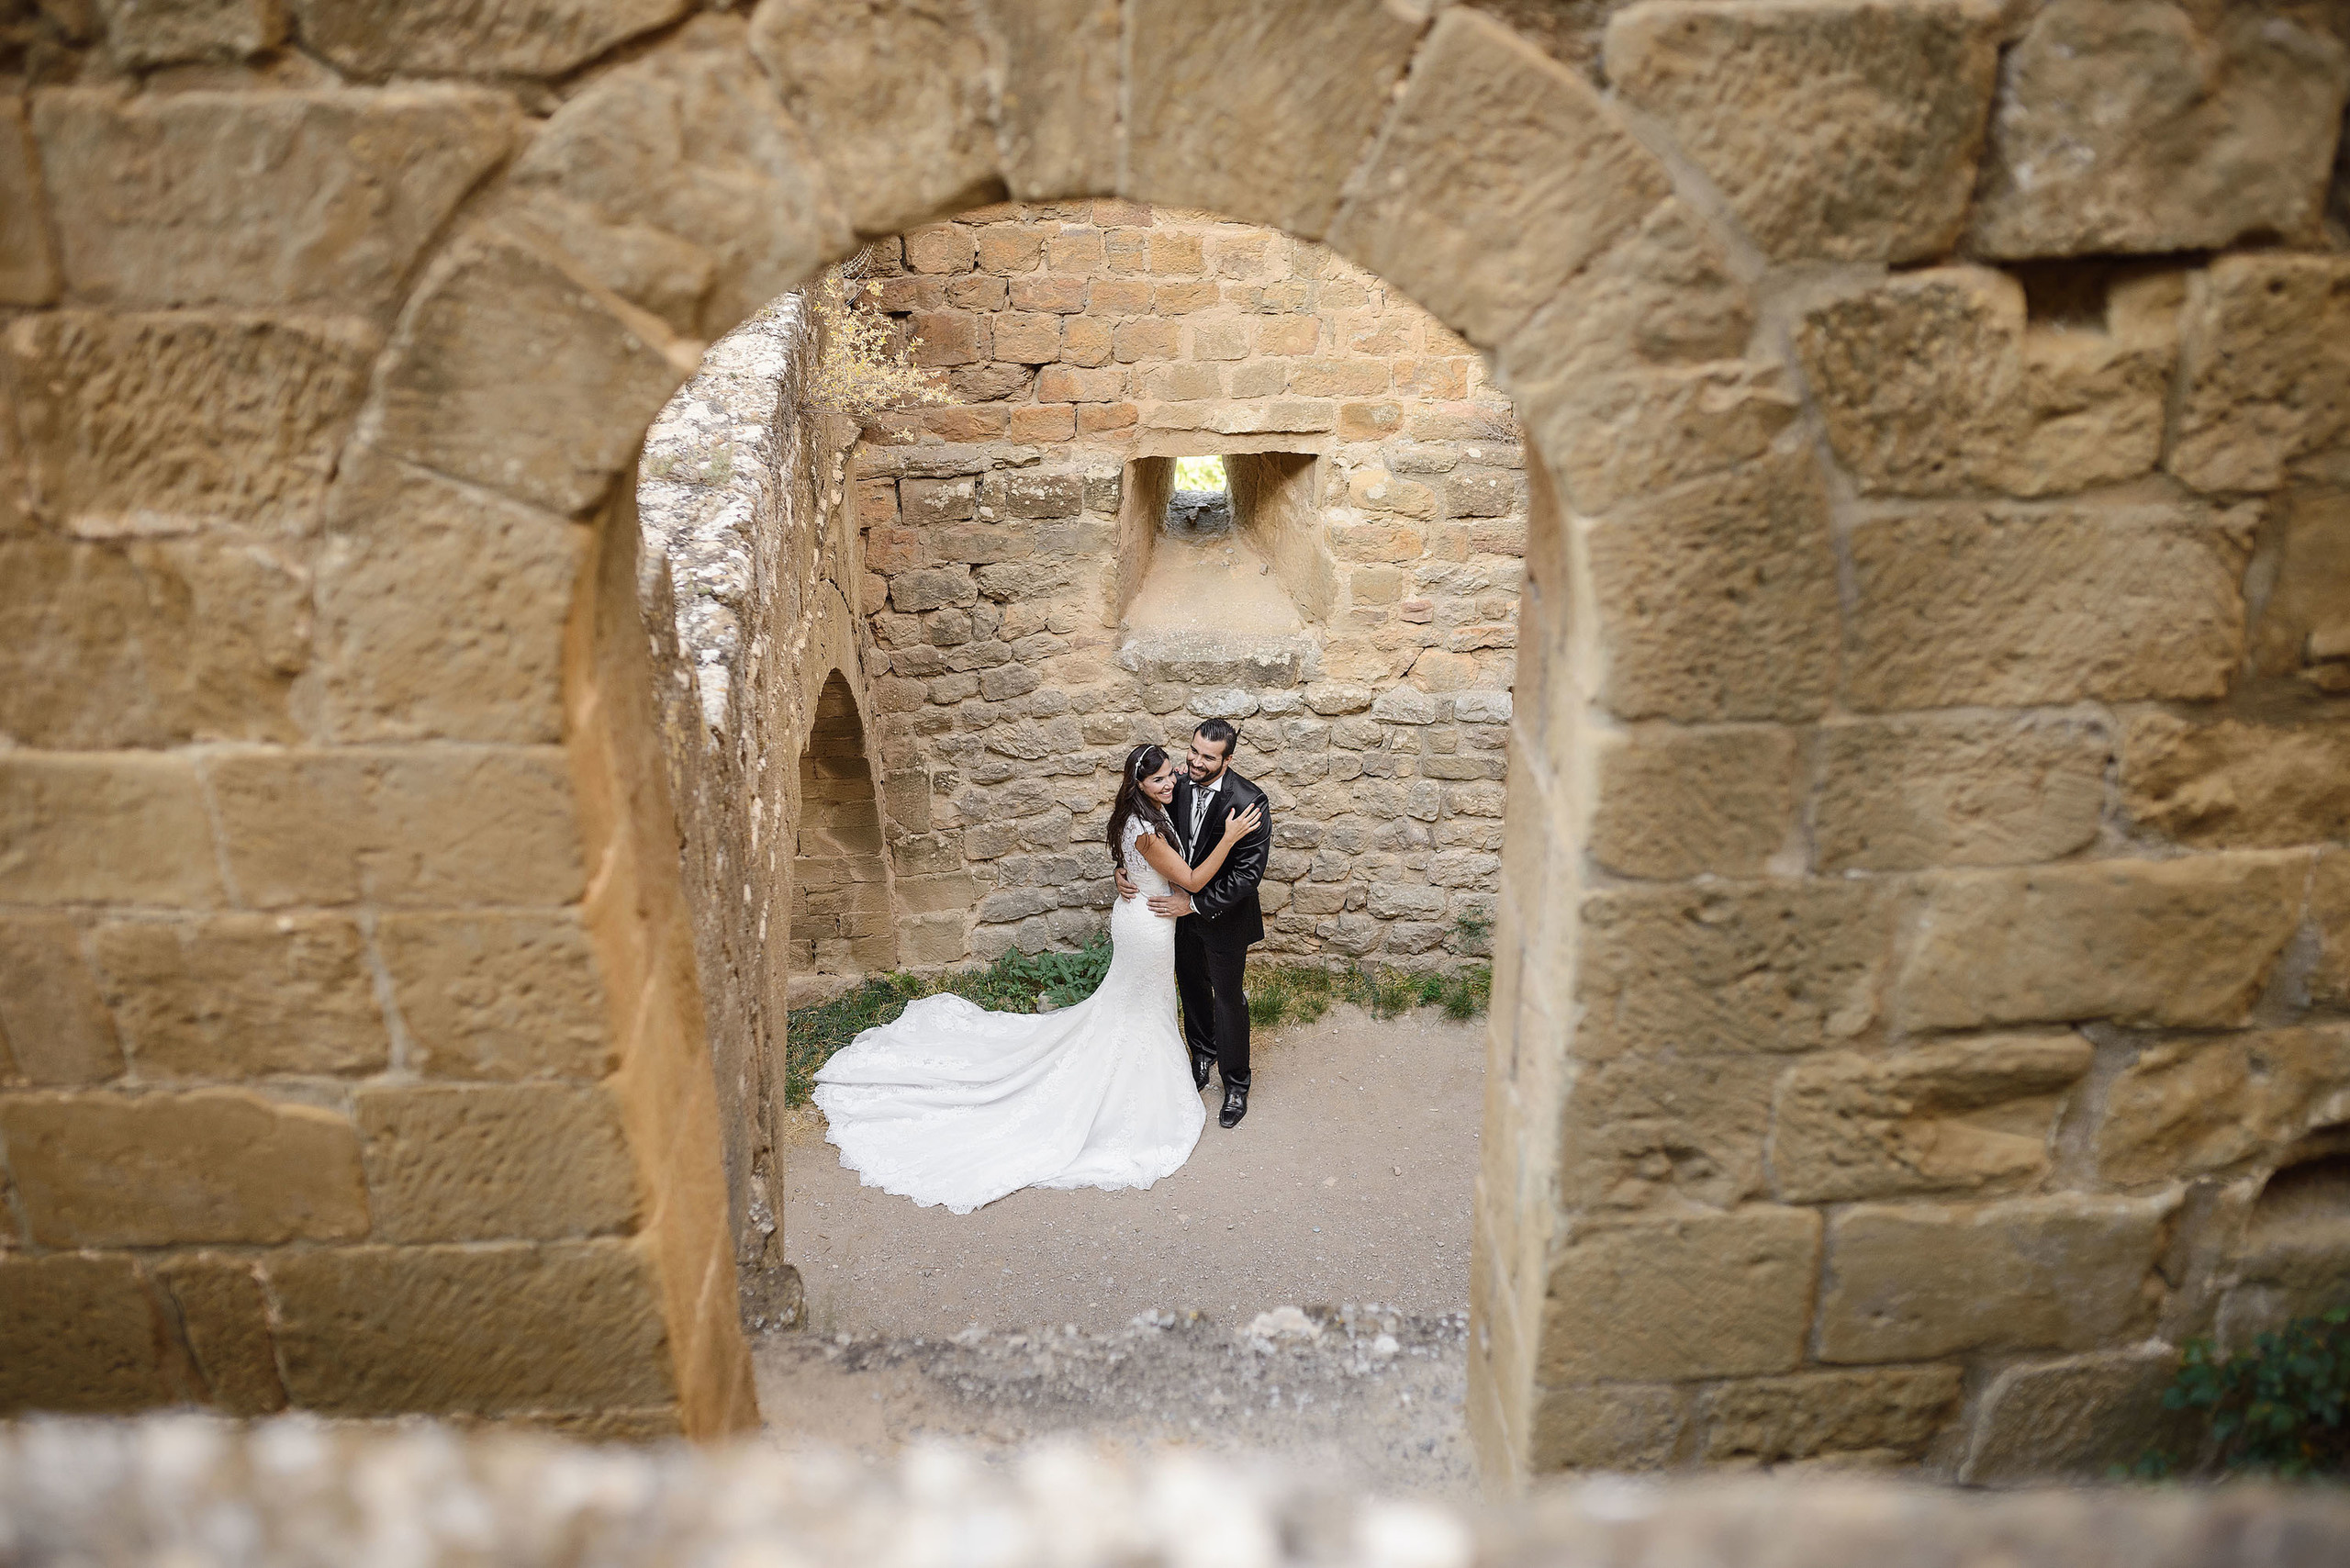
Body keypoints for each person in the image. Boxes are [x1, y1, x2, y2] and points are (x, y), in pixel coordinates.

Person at [811, 744, 1260, 1212]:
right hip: (1149, 925)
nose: (1171, 783)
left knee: (1136, 1003)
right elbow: (1191, 880)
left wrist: (1125, 869)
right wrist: (1228, 838)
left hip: (1144, 918)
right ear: (1139, 785)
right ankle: (1137, 1082)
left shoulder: (1141, 813)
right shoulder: (1145, 828)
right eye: (1160, 779)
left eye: (1171, 775)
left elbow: (1147, 850)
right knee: (1141, 1006)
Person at [1115, 719, 1272, 1129]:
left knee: (1228, 999)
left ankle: (1236, 1084)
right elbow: (1141, 830)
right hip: (1175, 917)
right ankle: (1201, 1054)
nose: (1196, 763)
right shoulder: (1175, 785)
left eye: (1208, 757)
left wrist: (1195, 904)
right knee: (1191, 987)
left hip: (1222, 917)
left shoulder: (1250, 801)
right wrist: (1123, 869)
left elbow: (1247, 877)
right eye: (1194, 751)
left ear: (1228, 759)